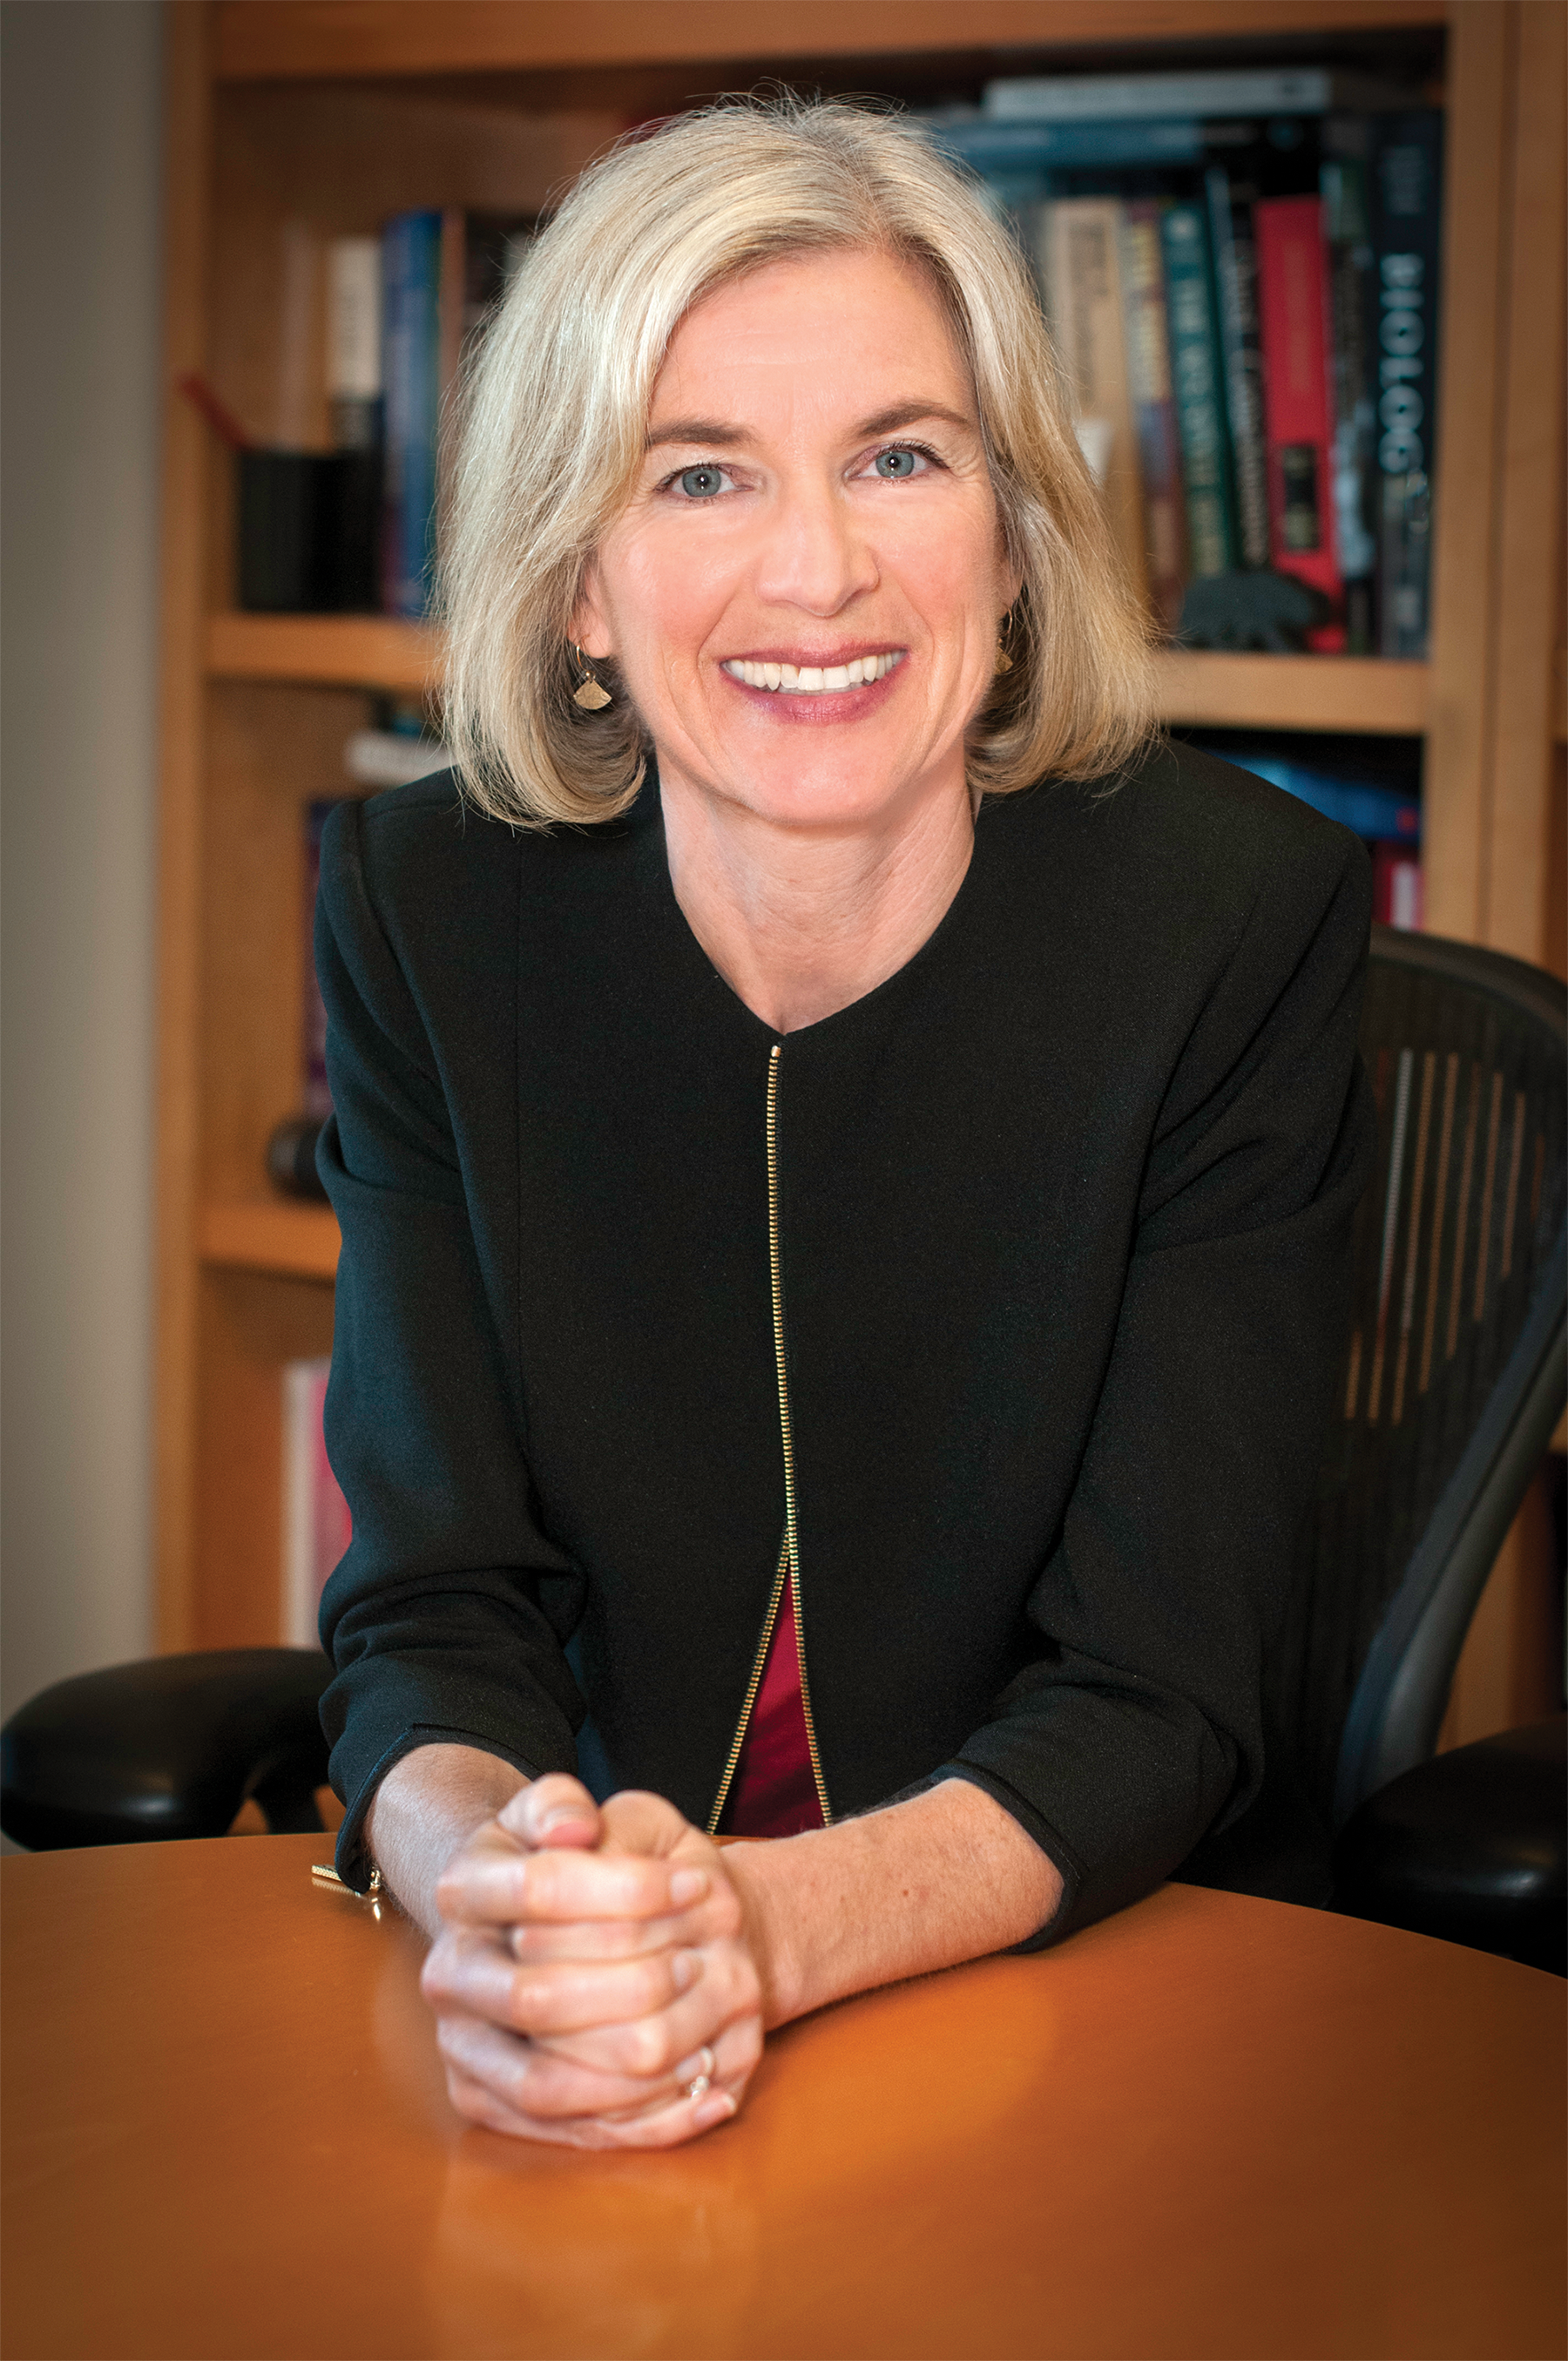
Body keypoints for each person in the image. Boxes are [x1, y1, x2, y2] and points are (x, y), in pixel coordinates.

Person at [315, 99, 1373, 2150]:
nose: (821, 567)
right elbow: (429, 1603)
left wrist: (752, 1934)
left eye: (903, 455)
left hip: (1092, 2003)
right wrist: (507, 1903)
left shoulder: (1235, 926)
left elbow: (1161, 1686)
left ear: (1013, 533)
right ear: (581, 590)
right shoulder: (426, 914)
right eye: (701, 473)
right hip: (599, 2000)